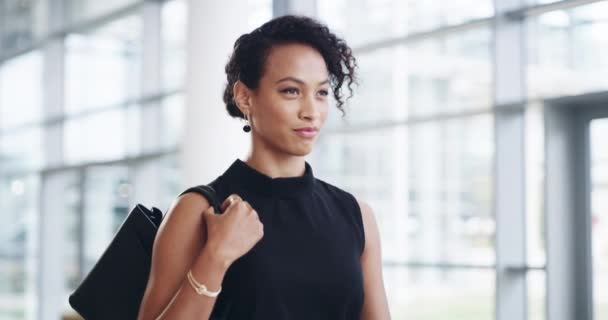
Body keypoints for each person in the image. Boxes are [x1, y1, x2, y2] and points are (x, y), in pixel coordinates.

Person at [137, 15, 391, 320]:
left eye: (321, 93)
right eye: (291, 91)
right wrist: (216, 256)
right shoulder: (198, 210)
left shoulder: (356, 215)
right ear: (245, 96)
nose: (311, 111)